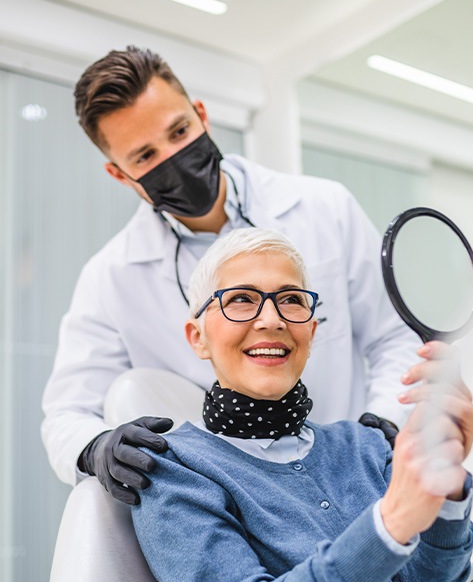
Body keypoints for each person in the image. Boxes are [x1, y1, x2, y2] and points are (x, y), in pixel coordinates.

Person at [41, 45, 422, 505]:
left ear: (201, 115)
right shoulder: (112, 276)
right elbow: (67, 411)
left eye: (179, 131)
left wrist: (380, 427)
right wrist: (95, 446)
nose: (174, 159)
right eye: (144, 156)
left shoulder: (325, 209)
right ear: (120, 175)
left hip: (355, 477)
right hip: (233, 505)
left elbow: (395, 338)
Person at [131, 228, 473, 582]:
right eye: (241, 299)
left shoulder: (366, 447)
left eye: (291, 300)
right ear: (198, 337)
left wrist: (446, 490)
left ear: (311, 332)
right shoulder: (176, 472)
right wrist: (390, 522)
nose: (271, 320)